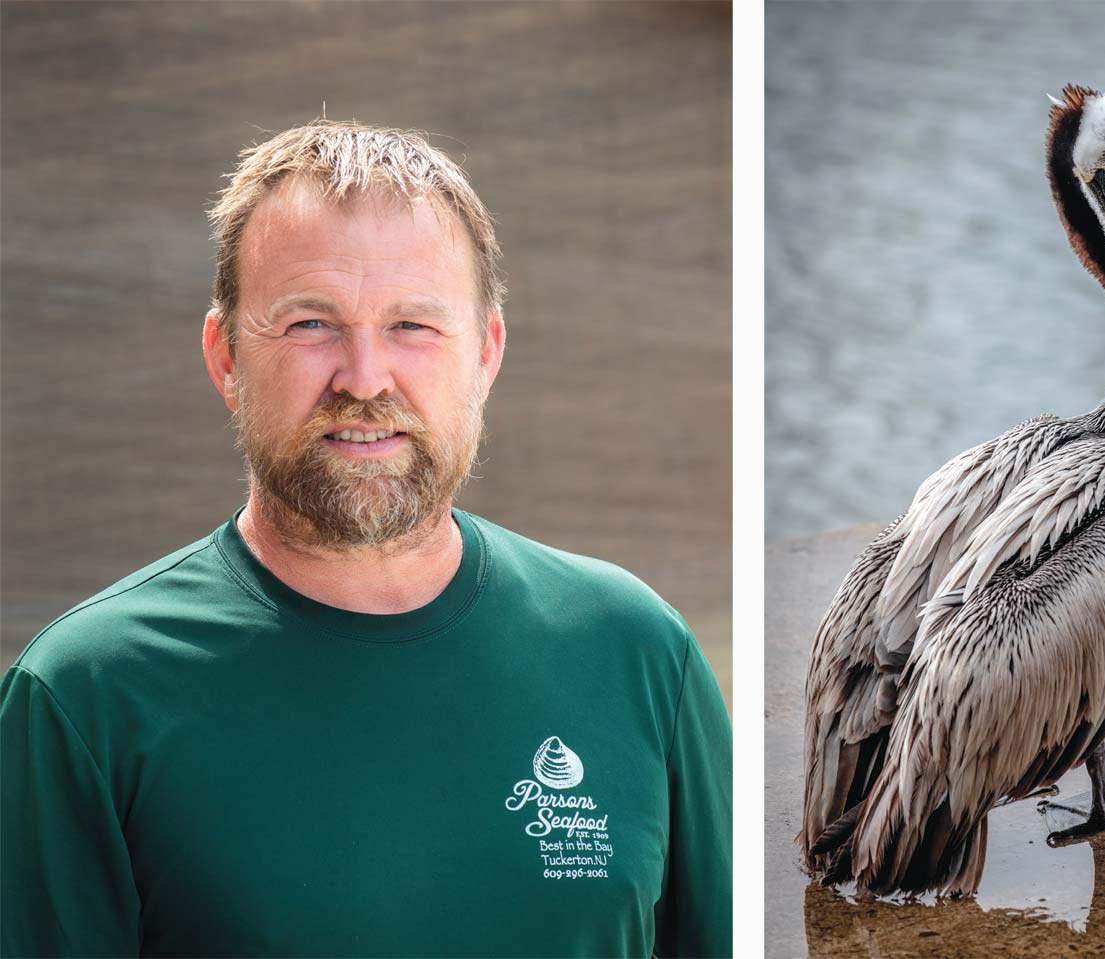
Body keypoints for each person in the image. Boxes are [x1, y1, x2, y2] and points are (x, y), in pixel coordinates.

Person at [0, 121, 732, 958]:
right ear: (226, 355)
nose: (364, 377)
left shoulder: (638, 652)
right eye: (311, 323)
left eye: (413, 325)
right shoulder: (84, 697)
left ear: (486, 353)